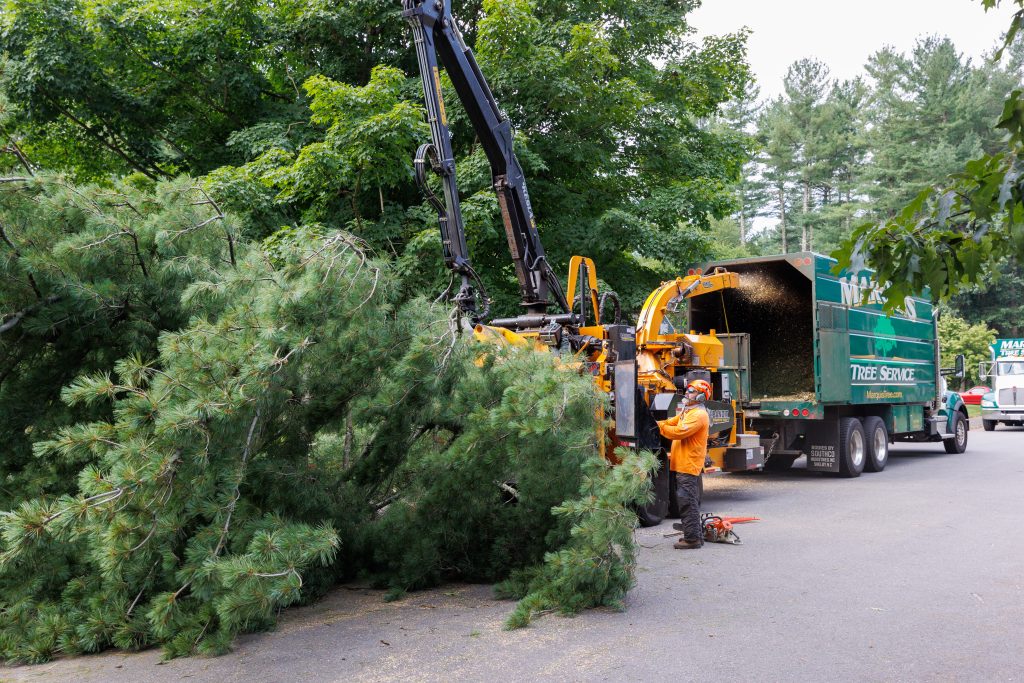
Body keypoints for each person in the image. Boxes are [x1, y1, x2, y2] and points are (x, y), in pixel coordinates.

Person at [657, 379, 711, 549]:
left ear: (701, 396)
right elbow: (672, 422)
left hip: (689, 464)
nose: (687, 393)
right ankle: (694, 536)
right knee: (688, 499)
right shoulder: (688, 411)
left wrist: (660, 428)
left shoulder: (699, 415)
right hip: (682, 463)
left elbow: (678, 432)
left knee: (687, 501)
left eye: (692, 391)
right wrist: (656, 423)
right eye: (688, 390)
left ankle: (692, 539)